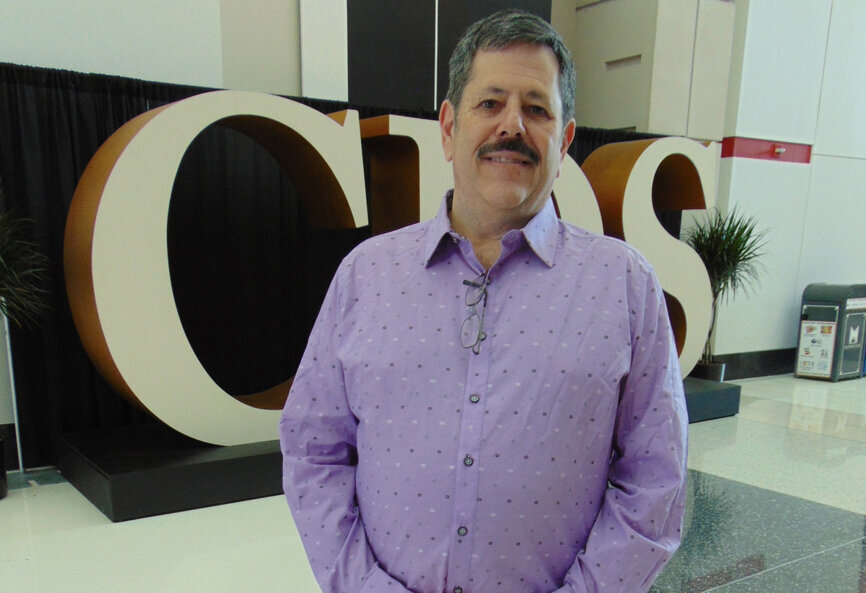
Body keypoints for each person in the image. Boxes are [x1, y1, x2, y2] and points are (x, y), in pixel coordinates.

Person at [280, 9, 687, 593]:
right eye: (490, 103)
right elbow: (312, 451)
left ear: (565, 138)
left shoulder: (622, 285)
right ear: (448, 128)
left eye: (537, 108)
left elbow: (656, 479)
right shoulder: (365, 277)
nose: (512, 126)